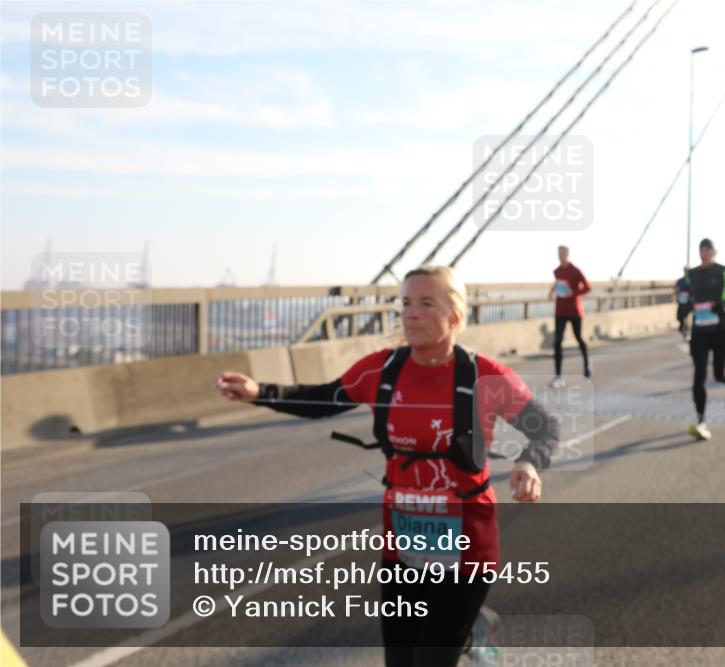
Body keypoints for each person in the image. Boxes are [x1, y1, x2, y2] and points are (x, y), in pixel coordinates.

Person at [215, 266, 558, 667]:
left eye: (426, 303)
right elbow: (325, 399)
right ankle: (470, 630)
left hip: (467, 545)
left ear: (455, 316)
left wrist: (530, 464)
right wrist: (260, 392)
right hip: (403, 546)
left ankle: (465, 628)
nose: (411, 314)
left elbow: (545, 427)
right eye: (406, 303)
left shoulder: (484, 376)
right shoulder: (383, 370)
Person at [685, 239, 725, 441]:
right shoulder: (692, 274)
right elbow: (686, 299)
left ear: (713, 252)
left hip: (720, 331)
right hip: (699, 331)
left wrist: (724, 303)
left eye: (707, 250)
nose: (704, 254)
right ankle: (701, 420)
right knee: (698, 375)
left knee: (718, 374)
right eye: (701, 250)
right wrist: (681, 318)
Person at [549, 245, 591, 388]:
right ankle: (558, 376)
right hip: (560, 311)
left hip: (574, 310)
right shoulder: (556, 271)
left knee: (579, 338)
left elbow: (587, 287)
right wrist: (552, 291)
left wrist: (573, 293)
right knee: (557, 342)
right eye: (558, 253)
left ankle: (587, 364)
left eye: (563, 253)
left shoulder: (576, 271)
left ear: (567, 254)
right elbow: (557, 285)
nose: (560, 256)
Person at [675, 267, 692, 341]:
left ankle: (686, 331)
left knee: (686, 317)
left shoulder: (692, 280)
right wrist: (677, 291)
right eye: (685, 270)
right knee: (679, 317)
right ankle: (683, 328)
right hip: (681, 302)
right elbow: (676, 289)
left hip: (689, 302)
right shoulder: (680, 280)